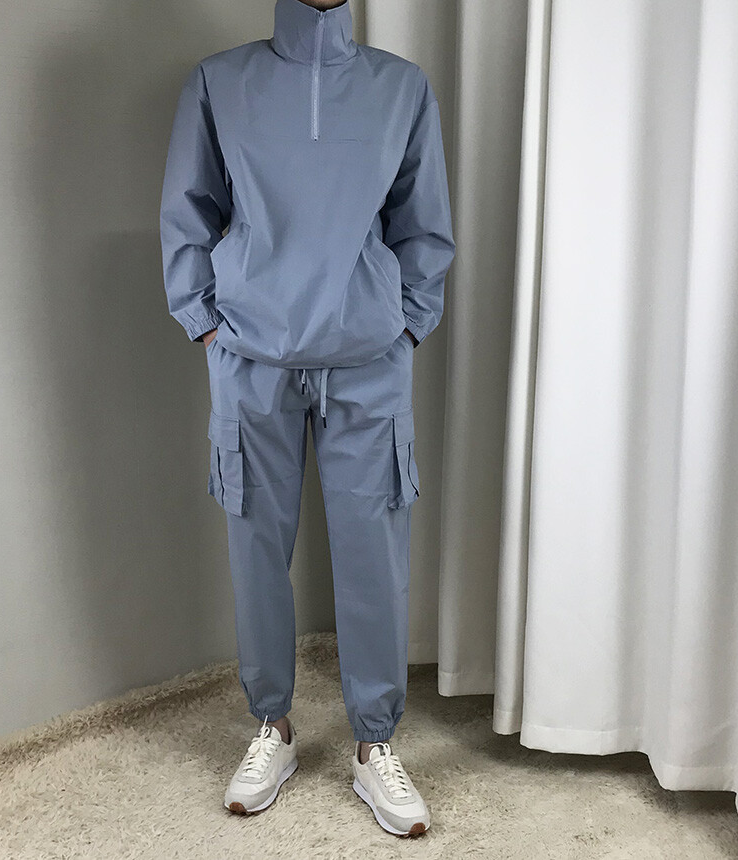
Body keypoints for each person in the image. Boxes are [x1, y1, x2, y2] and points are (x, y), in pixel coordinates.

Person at [159, 0, 455, 837]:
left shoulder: (401, 88)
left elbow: (423, 223)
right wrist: (205, 320)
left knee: (374, 548)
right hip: (252, 350)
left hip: (367, 354)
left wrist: (406, 324)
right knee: (255, 541)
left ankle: (374, 741)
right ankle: (272, 727)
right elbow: (187, 210)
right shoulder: (220, 82)